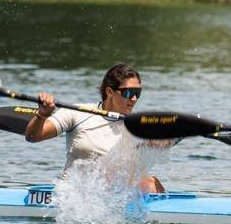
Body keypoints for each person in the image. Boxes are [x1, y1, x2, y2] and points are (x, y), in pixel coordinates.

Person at [25, 62, 166, 193]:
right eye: (128, 93)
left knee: (152, 184)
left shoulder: (139, 127)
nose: (134, 99)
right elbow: (33, 136)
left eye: (137, 93)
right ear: (109, 92)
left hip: (112, 197)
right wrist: (42, 115)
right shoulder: (77, 113)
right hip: (72, 196)